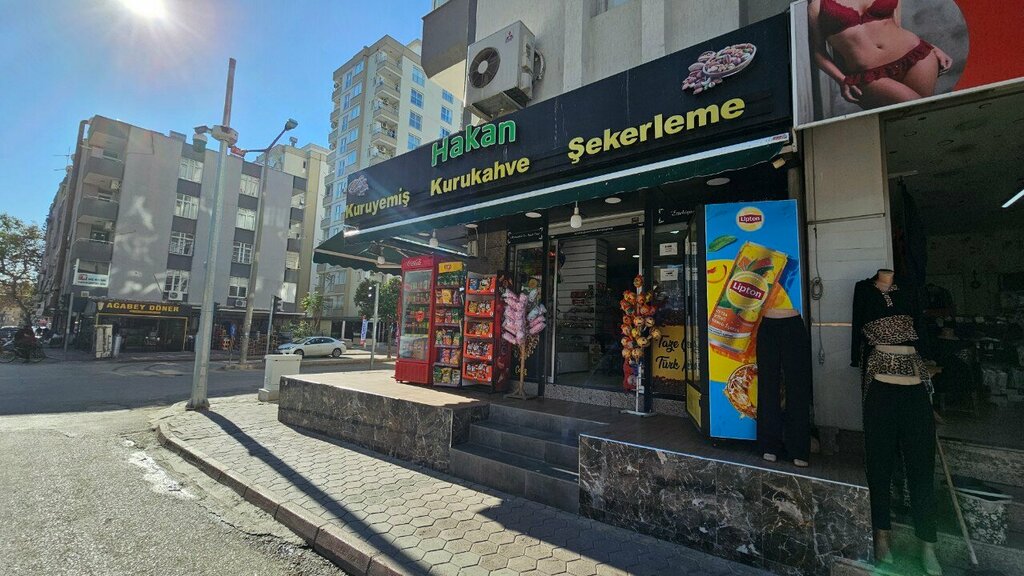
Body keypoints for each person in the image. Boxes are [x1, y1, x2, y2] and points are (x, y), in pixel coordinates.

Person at [851, 269, 941, 576]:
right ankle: (882, 536)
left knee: (921, 465)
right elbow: (857, 329)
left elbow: (921, 327)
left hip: (913, 375)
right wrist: (856, 359)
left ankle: (927, 543)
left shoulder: (909, 289)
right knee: (879, 464)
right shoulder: (863, 290)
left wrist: (929, 357)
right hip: (879, 376)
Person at [808, 0, 952, 109]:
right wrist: (843, 79)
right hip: (868, 75)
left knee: (925, 116)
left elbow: (896, 27)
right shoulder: (817, 5)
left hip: (916, 57)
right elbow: (818, 52)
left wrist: (931, 47)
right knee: (919, 111)